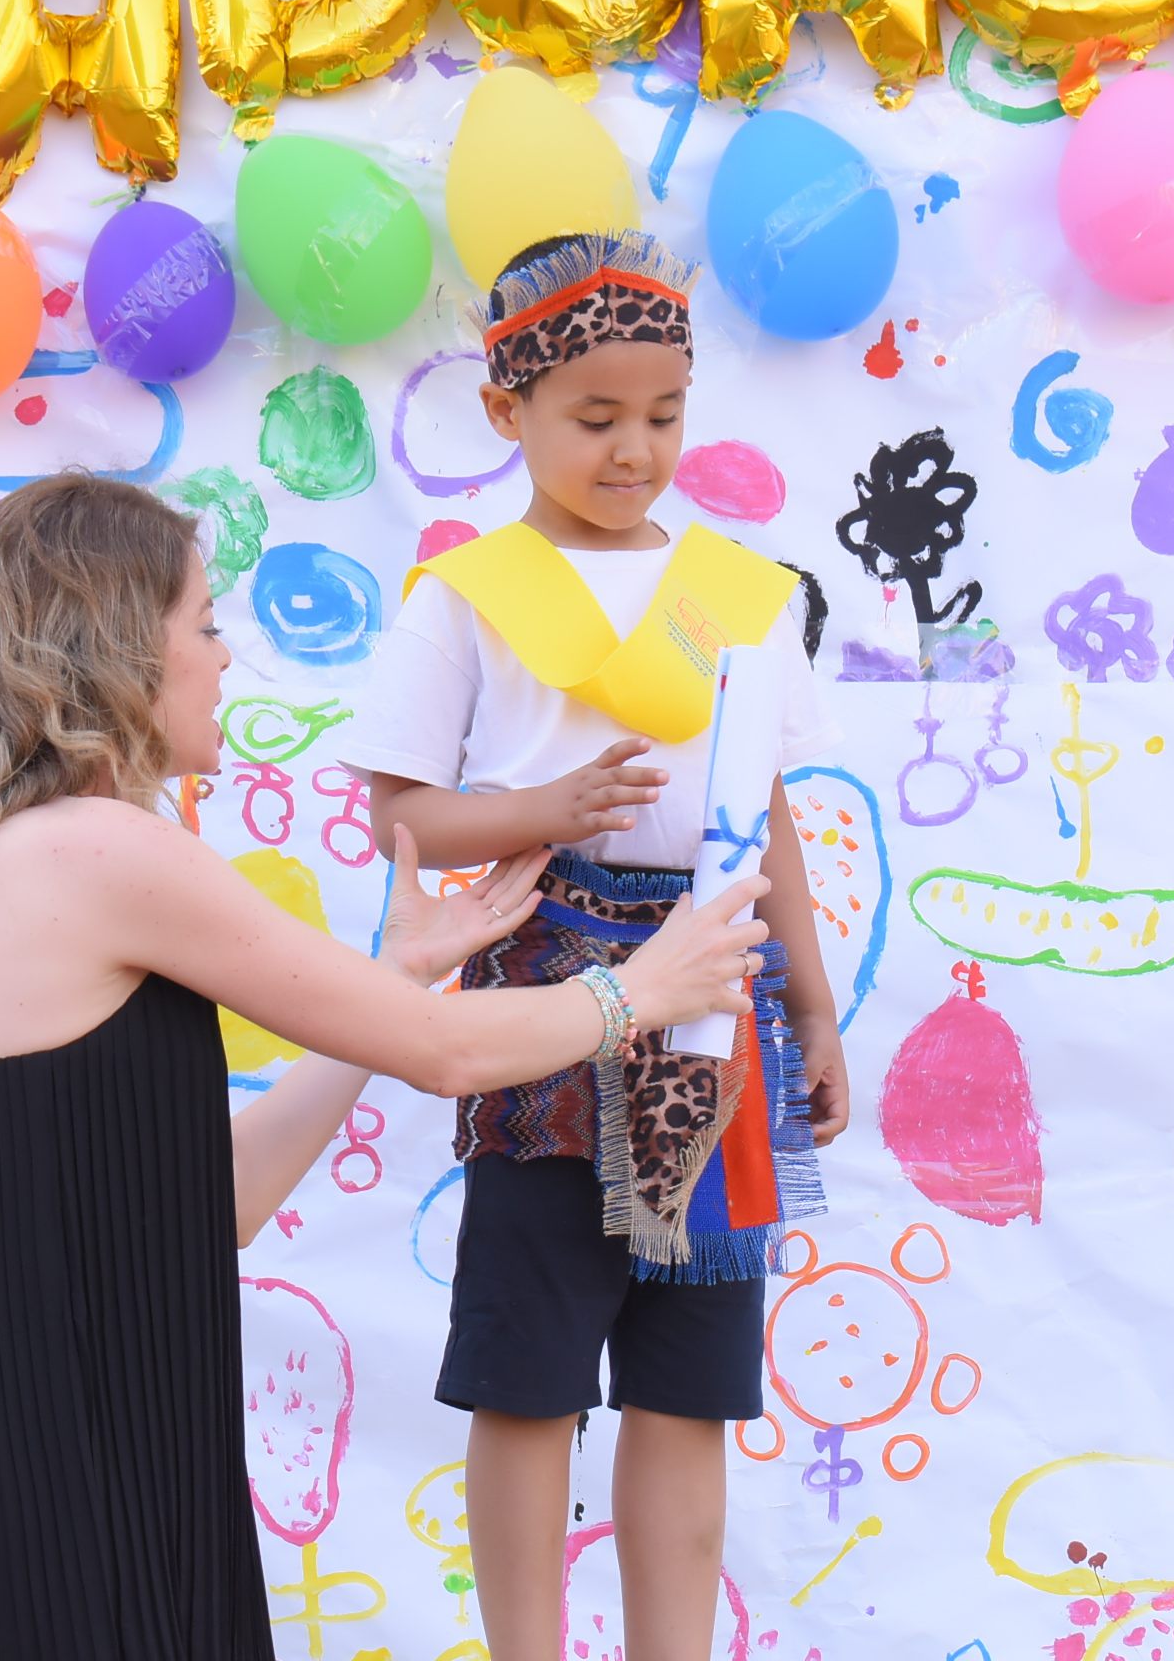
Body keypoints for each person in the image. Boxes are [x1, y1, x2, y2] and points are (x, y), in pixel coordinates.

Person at [0, 472, 769, 1661]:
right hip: (65, 1493)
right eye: (204, 623)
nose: (225, 657)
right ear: (117, 643)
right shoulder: (103, 848)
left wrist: (396, 970)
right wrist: (642, 988)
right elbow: (444, 1057)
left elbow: (212, 1198)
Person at [337, 230, 853, 1661]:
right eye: (597, 419)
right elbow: (404, 820)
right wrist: (547, 808)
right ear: (507, 413)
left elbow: (765, 813)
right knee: (531, 1374)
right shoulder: (467, 595)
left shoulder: (737, 593)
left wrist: (810, 1000)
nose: (637, 451)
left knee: (694, 1383)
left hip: (713, 993)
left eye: (666, 416)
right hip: (545, 1004)